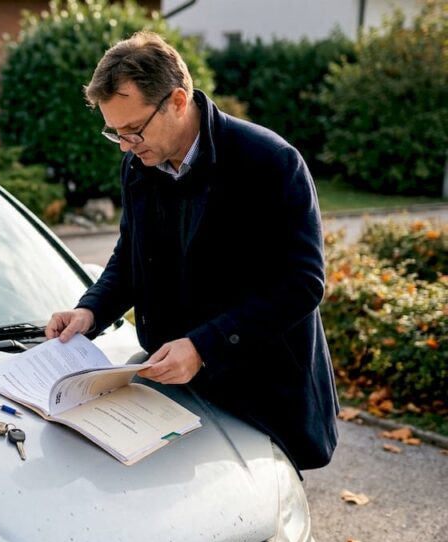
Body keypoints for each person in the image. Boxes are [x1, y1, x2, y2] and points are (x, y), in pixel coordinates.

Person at [45, 31, 338, 470]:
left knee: (261, 519)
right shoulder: (137, 163)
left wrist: (203, 347)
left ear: (178, 101)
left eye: (133, 130)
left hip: (260, 393)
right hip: (170, 384)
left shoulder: (270, 162)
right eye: (115, 133)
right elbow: (130, 256)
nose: (125, 145)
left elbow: (301, 284)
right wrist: (91, 310)